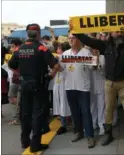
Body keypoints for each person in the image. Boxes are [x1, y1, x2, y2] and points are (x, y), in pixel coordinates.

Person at [8, 23, 60, 153]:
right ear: (38, 34)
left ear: (27, 34)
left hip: (24, 84)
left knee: (25, 113)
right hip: (39, 85)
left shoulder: (19, 49)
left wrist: (21, 74)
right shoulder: (41, 48)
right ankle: (35, 145)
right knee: (38, 114)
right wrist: (51, 76)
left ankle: (25, 141)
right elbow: (55, 65)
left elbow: (11, 65)